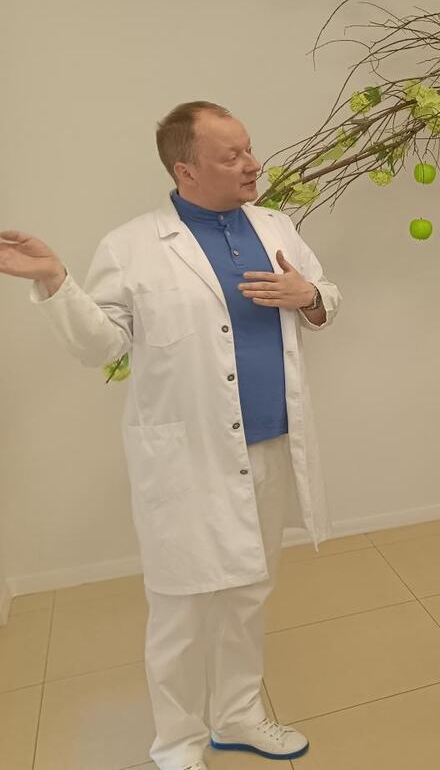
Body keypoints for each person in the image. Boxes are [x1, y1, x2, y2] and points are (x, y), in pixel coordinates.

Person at [0, 101, 340, 770]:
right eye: (232, 156)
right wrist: (56, 281)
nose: (253, 163)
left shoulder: (275, 224)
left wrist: (308, 295)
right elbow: (102, 345)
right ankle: (178, 742)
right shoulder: (130, 246)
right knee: (183, 607)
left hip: (272, 444)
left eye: (249, 148)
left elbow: (325, 296)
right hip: (188, 457)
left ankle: (238, 715)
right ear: (185, 170)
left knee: (249, 592)